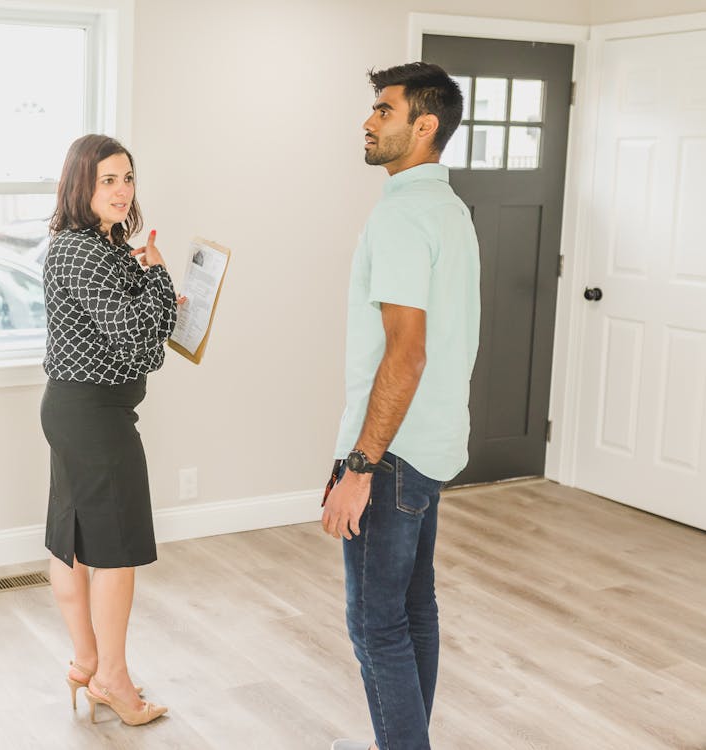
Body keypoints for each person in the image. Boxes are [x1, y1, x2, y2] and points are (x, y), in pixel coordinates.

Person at [322, 63, 480, 750]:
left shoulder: (401, 215)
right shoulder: (449, 209)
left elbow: (404, 353)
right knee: (414, 610)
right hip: (432, 444)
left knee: (374, 624)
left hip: (389, 455)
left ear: (424, 125)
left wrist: (358, 464)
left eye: (382, 111)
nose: (367, 121)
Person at [40, 134, 179, 727]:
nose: (122, 191)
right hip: (94, 417)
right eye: (108, 181)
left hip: (82, 412)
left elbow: (142, 339)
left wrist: (150, 293)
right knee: (114, 552)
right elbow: (141, 339)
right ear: (81, 186)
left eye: (128, 178)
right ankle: (114, 681)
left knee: (71, 539)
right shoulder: (81, 251)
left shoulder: (102, 246)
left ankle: (88, 662)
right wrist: (161, 283)